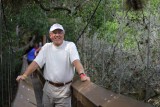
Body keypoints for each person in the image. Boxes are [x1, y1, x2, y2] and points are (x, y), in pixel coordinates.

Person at [16, 23, 90, 107]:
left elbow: (76, 61)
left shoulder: (70, 45)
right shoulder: (46, 47)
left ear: (63, 34)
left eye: (60, 32)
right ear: (50, 35)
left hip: (64, 93)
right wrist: (24, 75)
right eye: (55, 32)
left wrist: (82, 74)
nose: (57, 35)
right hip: (48, 90)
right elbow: (36, 63)